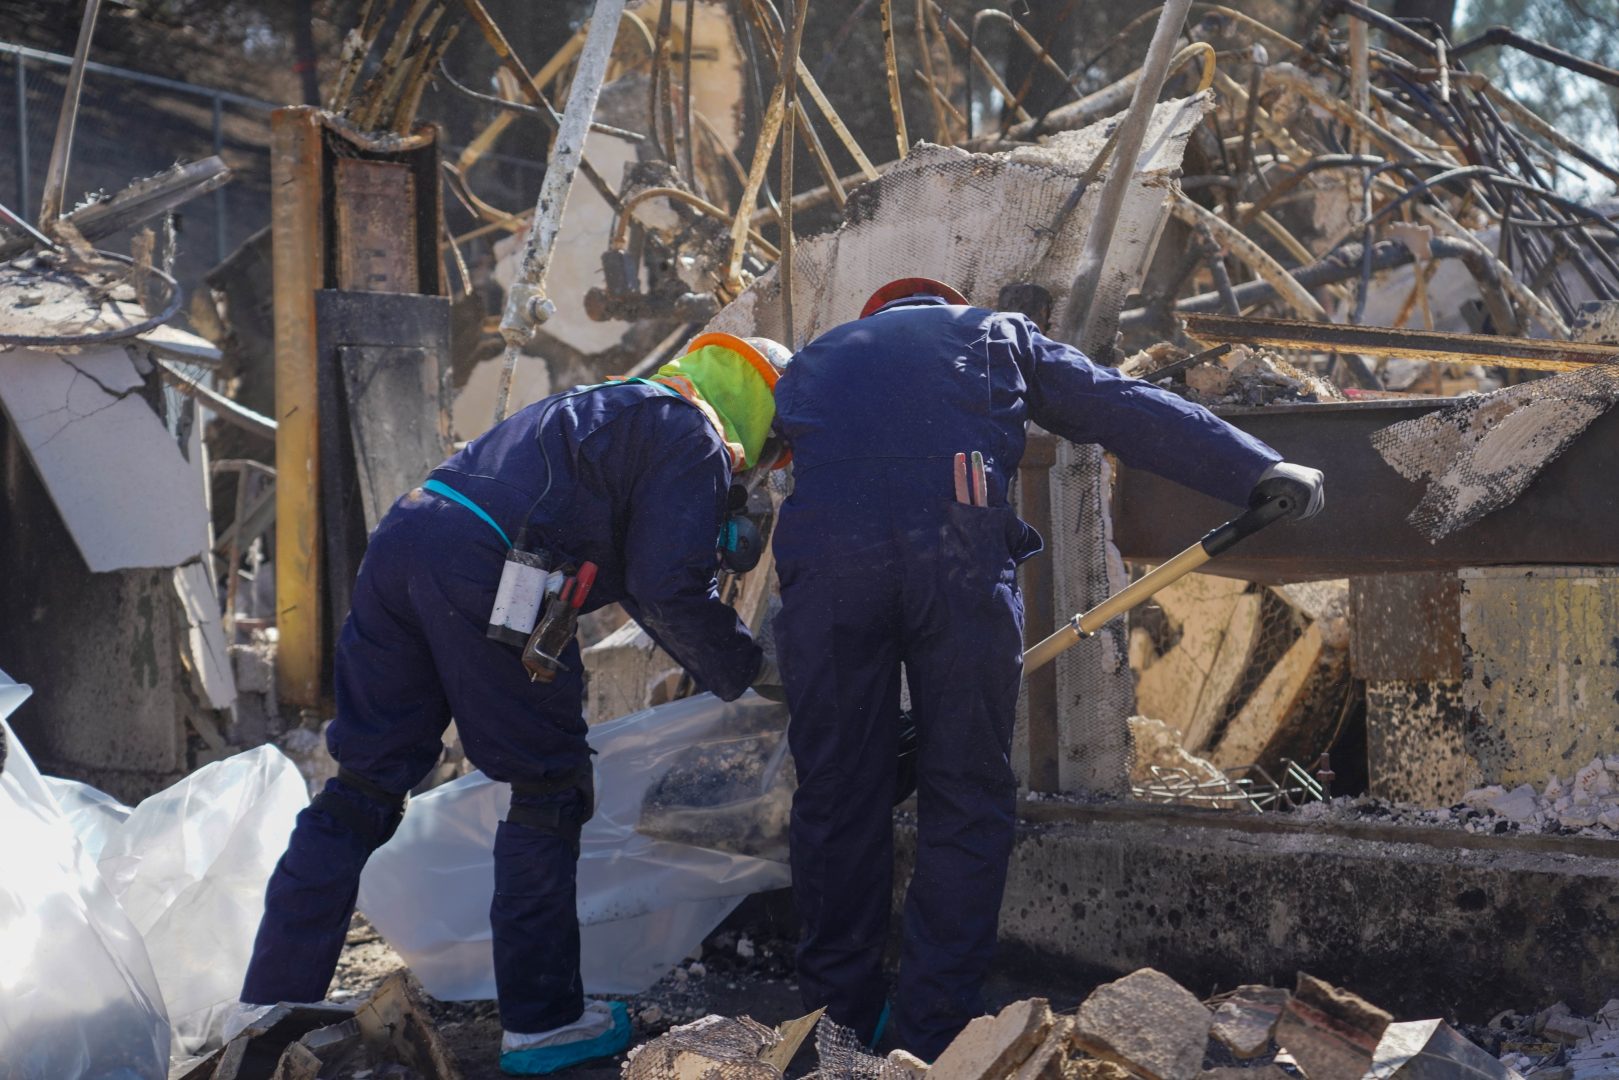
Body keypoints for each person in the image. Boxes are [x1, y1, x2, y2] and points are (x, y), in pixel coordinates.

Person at [767, 277, 1323, 1061]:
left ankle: (832, 1038)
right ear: (943, 304)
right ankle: (930, 1041)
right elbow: (1116, 405)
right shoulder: (995, 332)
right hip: (955, 564)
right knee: (963, 796)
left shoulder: (814, 360)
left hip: (827, 574)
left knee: (835, 796)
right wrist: (1256, 468)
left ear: (876, 317)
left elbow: (739, 465)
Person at [234, 332, 793, 1076]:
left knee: (362, 787)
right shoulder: (691, 435)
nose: (758, 473)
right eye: (773, 454)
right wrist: (755, 669)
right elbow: (668, 586)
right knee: (546, 788)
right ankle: (543, 1023)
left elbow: (624, 559)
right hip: (493, 568)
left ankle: (273, 1004)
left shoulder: (612, 404)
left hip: (407, 537)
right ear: (762, 414)